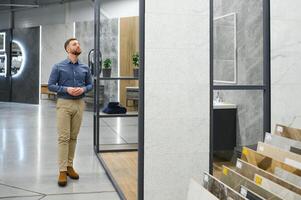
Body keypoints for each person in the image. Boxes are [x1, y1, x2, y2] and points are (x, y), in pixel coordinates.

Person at [48, 38, 93, 186]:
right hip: (64, 104)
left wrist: (84, 89)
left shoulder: (85, 68)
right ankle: (62, 171)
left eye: (79, 43)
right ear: (67, 49)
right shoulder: (58, 67)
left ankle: (69, 166)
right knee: (63, 137)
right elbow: (51, 86)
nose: (78, 45)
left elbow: (90, 84)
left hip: (80, 104)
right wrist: (66, 89)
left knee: (73, 137)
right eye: (74, 44)